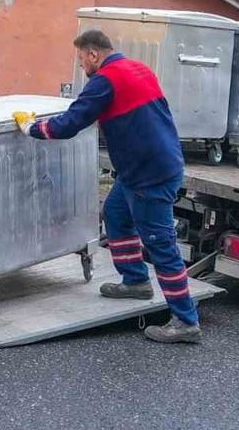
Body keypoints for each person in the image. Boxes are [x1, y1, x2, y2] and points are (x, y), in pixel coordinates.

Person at [12, 29, 200, 344]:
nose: (82, 66)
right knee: (115, 214)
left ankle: (185, 320)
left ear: (93, 54)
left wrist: (31, 127)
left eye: (81, 59)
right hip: (149, 165)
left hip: (148, 174)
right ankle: (136, 281)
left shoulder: (105, 80)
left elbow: (71, 123)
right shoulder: (138, 68)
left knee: (160, 244)